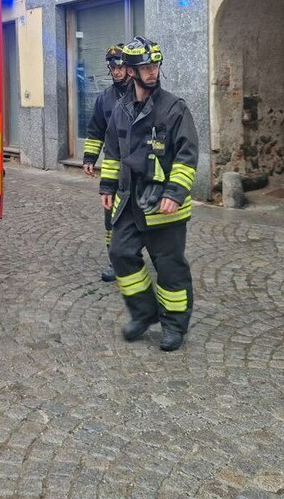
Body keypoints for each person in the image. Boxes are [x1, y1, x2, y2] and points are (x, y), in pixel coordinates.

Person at [99, 36, 198, 352]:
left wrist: (175, 192)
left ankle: (174, 325)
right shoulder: (121, 109)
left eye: (155, 65)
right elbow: (113, 152)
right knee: (120, 253)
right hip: (130, 201)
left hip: (164, 204)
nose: (152, 71)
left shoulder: (174, 108)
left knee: (170, 267)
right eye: (145, 67)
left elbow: (187, 155)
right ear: (130, 71)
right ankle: (144, 313)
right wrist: (108, 187)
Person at [82, 44, 130, 282]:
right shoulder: (104, 98)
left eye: (120, 66)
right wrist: (90, 158)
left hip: (139, 167)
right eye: (113, 67)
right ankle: (115, 261)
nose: (117, 71)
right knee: (111, 215)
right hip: (114, 167)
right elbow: (95, 130)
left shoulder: (142, 93)